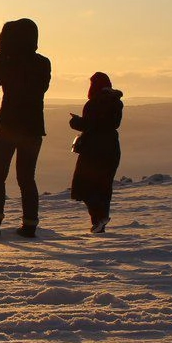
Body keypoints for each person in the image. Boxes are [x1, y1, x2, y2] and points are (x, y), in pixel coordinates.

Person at [0, 18, 51, 238]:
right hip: (33, 127)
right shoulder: (43, 63)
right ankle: (30, 225)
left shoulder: (6, 61)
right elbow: (42, 87)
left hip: (8, 126)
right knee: (27, 178)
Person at [69, 72, 124, 234]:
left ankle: (98, 218)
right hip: (112, 149)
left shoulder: (94, 102)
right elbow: (109, 124)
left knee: (84, 187)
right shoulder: (115, 102)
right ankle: (101, 220)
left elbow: (91, 125)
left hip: (93, 150)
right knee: (104, 187)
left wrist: (76, 122)